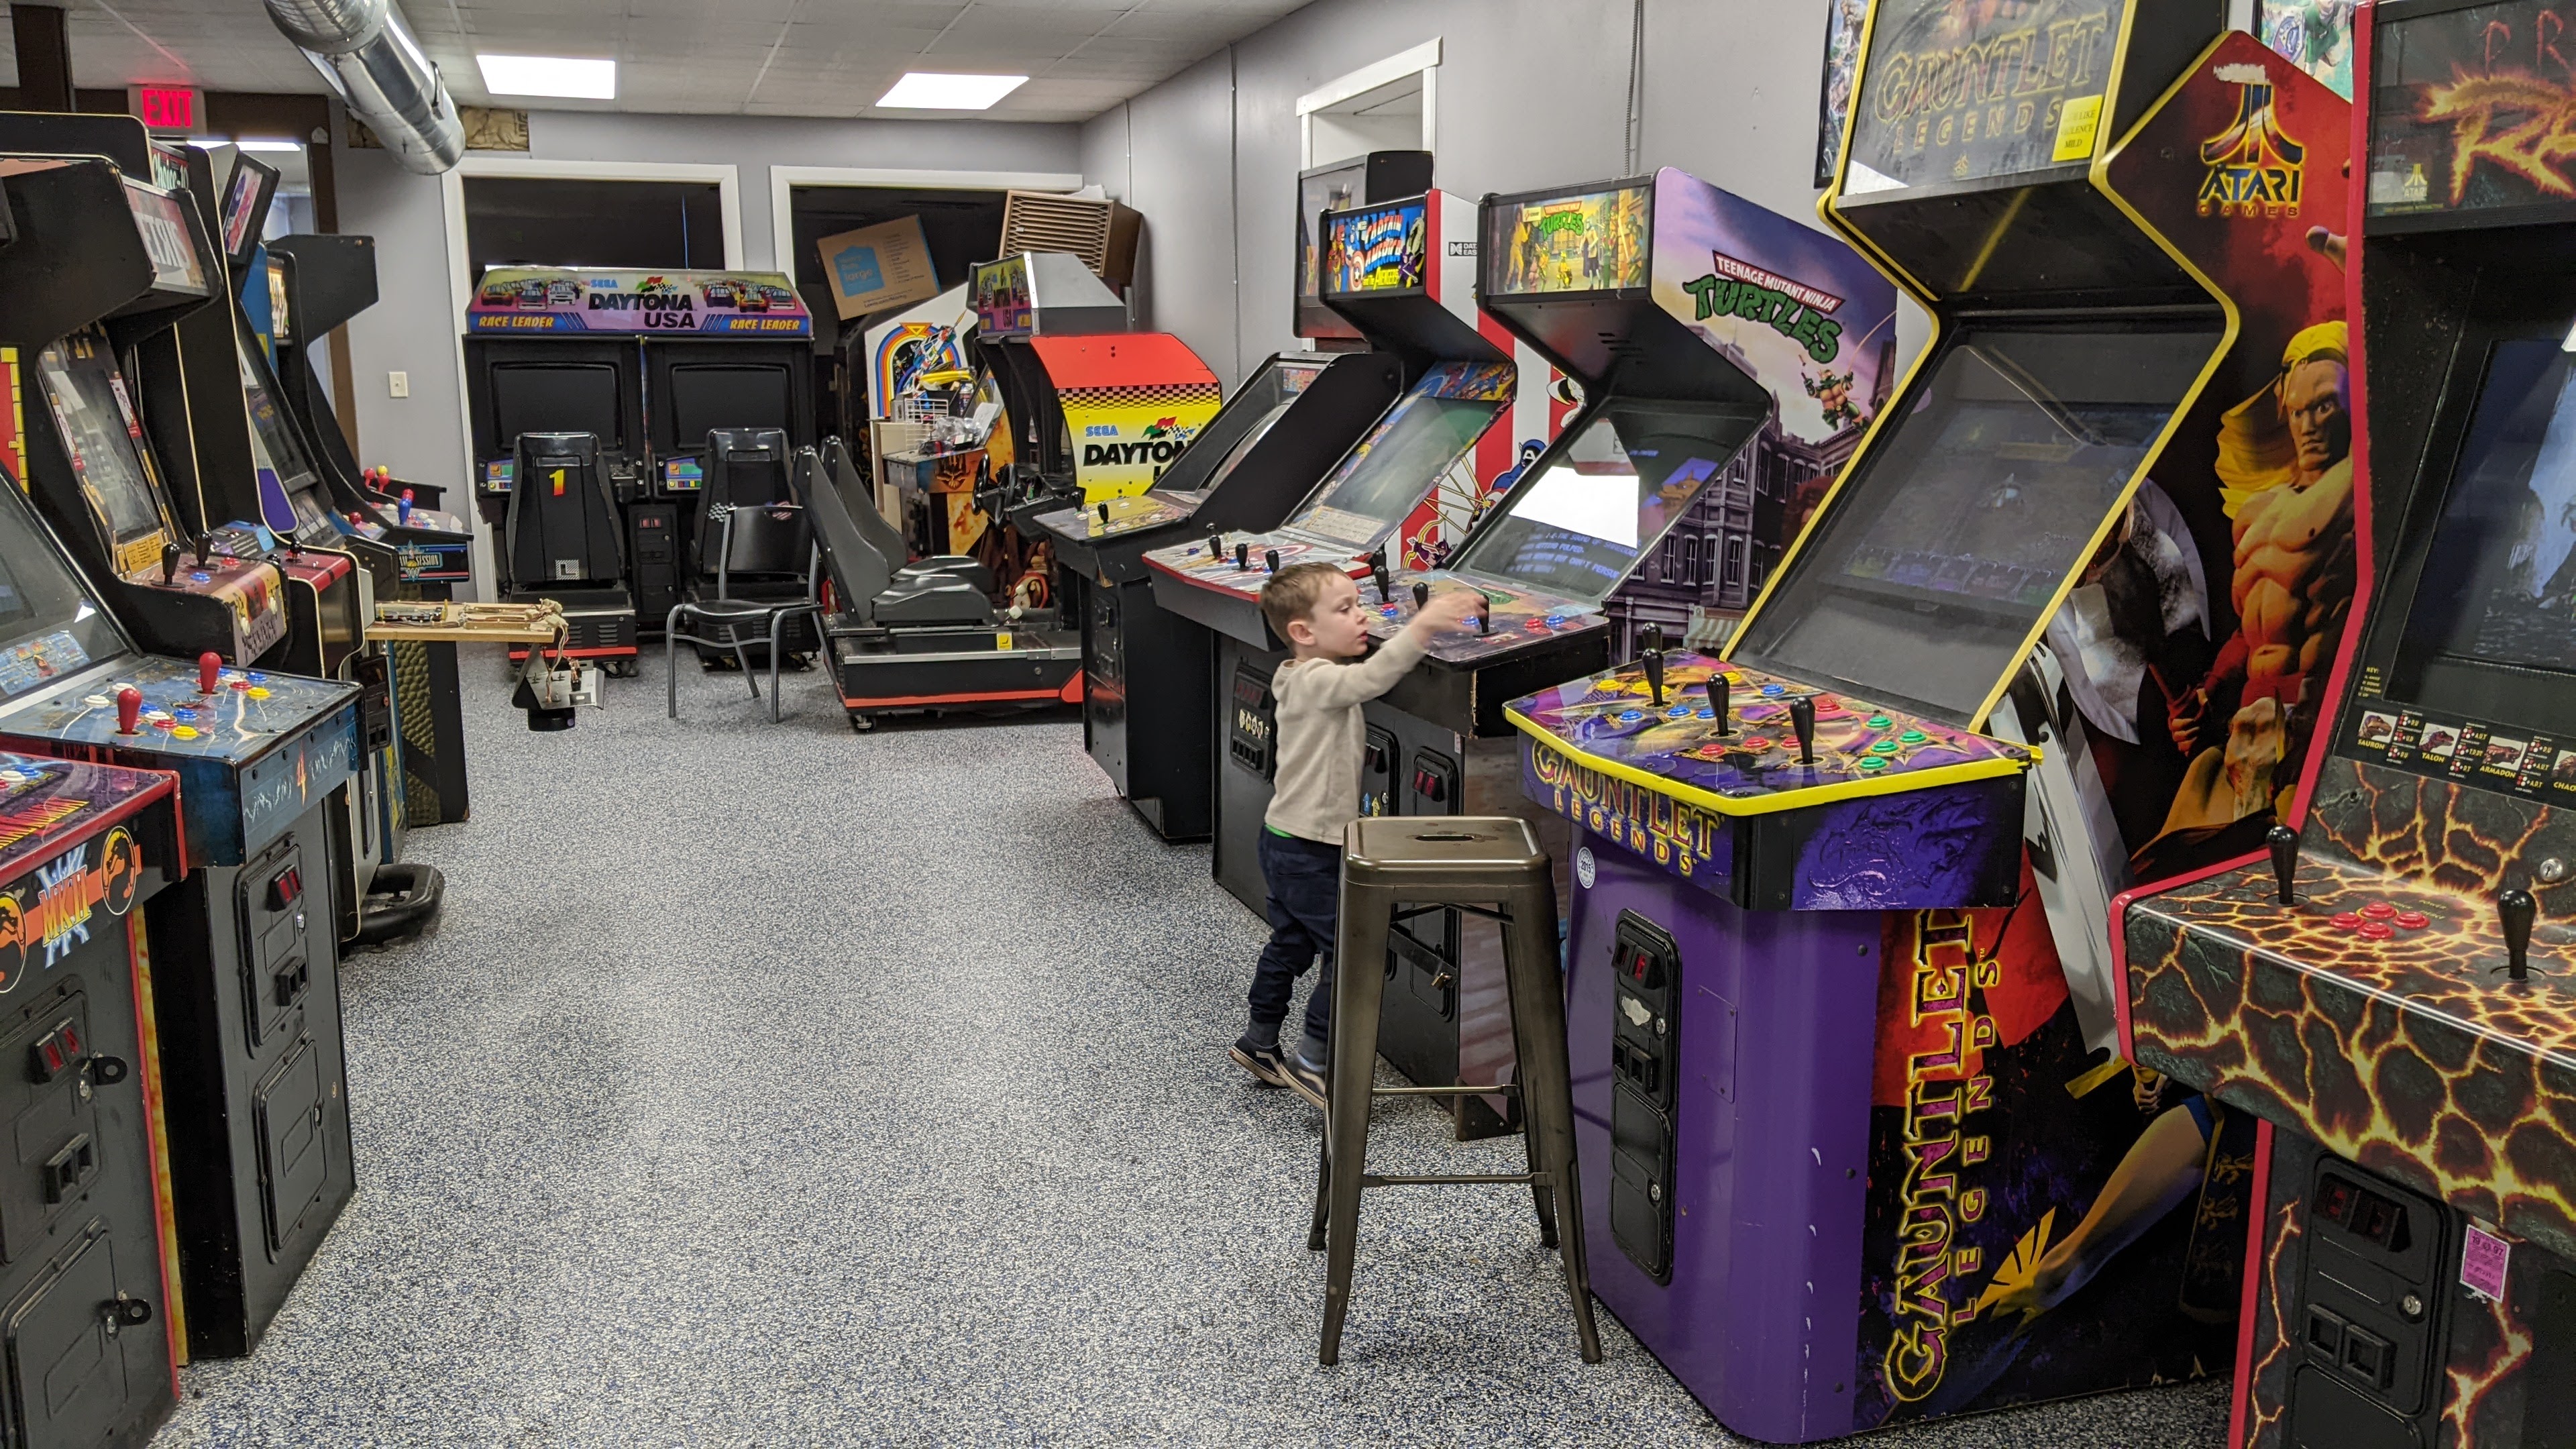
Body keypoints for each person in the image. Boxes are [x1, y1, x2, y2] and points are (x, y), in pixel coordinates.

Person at [1230, 562, 1482, 1102]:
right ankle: (1314, 1059)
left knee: (1291, 943)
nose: (1361, 616)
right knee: (1350, 951)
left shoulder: (1297, 675)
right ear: (1303, 632)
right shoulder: (1318, 680)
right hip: (1310, 849)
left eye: (1358, 604)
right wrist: (1425, 624)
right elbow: (1370, 679)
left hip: (1284, 838)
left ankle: (1259, 1040)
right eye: (1344, 609)